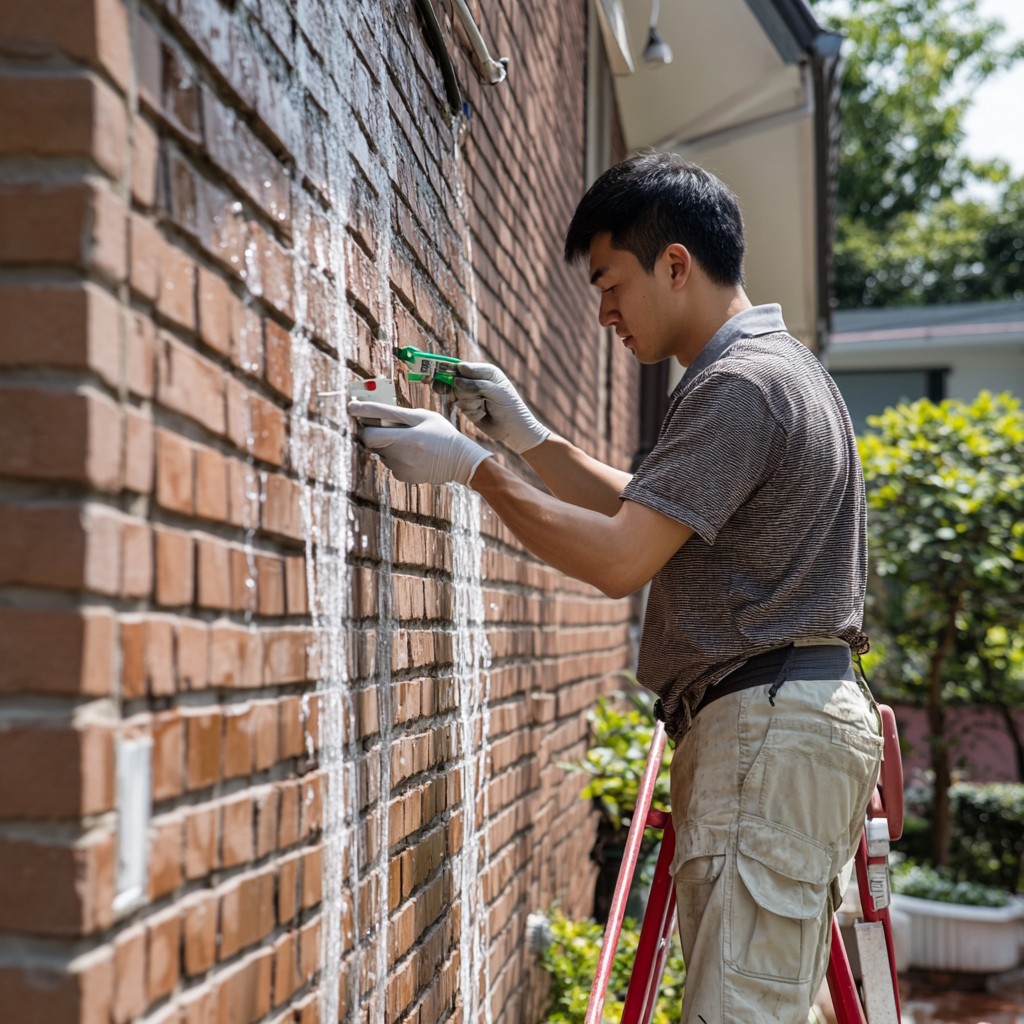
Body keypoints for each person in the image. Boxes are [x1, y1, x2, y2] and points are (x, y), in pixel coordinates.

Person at [349, 153, 883, 1023]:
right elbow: (651, 511)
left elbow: (619, 559)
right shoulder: (777, 370)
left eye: (610, 283)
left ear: (676, 264)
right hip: (780, 725)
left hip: (769, 732)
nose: (602, 314)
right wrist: (530, 441)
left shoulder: (740, 386)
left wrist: (473, 468)